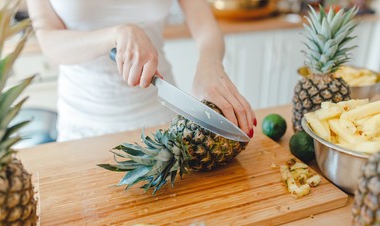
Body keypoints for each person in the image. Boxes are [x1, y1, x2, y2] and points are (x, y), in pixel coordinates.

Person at [26, 0, 256, 142]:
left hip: (161, 116)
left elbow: (205, 26)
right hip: (85, 120)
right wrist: (116, 34)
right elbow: (48, 40)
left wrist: (210, 63)